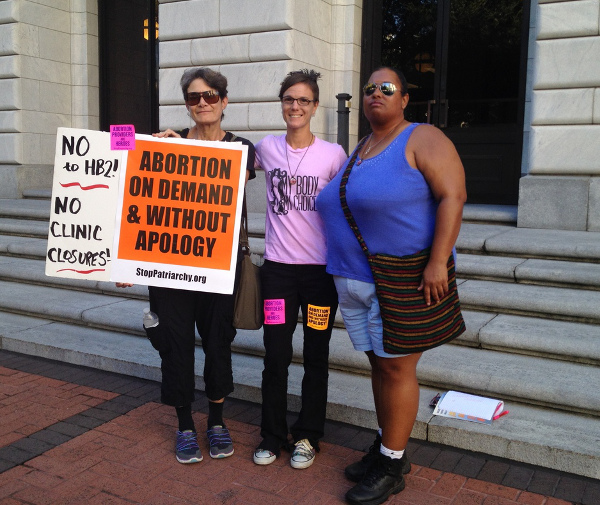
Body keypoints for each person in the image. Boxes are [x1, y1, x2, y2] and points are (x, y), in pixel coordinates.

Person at [316, 67, 466, 504]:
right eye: (369, 89)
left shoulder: (422, 137)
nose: (375, 93)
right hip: (355, 278)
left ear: (404, 99)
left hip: (401, 278)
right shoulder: (362, 147)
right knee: (380, 366)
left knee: (398, 368)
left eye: (387, 88)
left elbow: (452, 196)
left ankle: (393, 463)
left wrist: (438, 261)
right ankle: (387, 449)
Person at [118, 67, 256, 464]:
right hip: (169, 268)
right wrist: (126, 262)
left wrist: (185, 152)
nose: (202, 103)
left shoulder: (241, 147)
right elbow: (135, 203)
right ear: (187, 105)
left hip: (218, 268)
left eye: (211, 96)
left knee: (218, 343)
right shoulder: (165, 146)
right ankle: (183, 425)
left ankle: (216, 421)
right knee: (175, 347)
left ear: (224, 102)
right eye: (194, 97)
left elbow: (231, 175)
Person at [252, 69, 348, 470]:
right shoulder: (265, 148)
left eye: (304, 100)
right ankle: (272, 436)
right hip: (277, 274)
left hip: (318, 277)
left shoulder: (333, 155)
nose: (295, 106)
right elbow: (216, 156)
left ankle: (308, 435)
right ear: (281, 103)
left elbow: (348, 206)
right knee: (275, 355)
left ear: (314, 107)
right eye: (289, 99)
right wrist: (177, 141)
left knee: (316, 355)